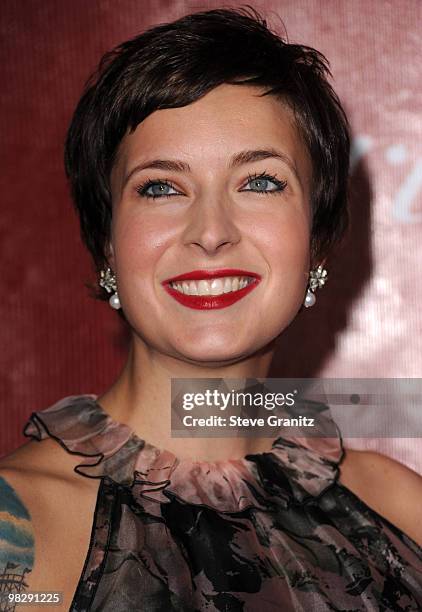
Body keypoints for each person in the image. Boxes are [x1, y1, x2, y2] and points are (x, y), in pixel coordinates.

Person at [1, 6, 421, 611]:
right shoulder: (17, 534)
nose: (211, 231)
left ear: (319, 239)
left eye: (260, 181)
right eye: (161, 187)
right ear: (107, 245)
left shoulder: (401, 512)